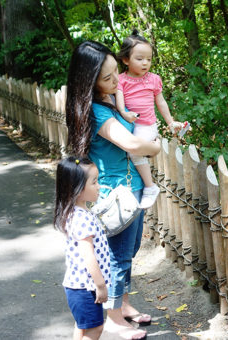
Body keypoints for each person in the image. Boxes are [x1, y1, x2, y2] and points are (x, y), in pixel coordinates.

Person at [66, 41, 161, 340]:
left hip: (131, 189)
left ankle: (125, 306)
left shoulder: (109, 99)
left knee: (128, 253)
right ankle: (113, 319)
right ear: (88, 81)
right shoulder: (95, 110)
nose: (115, 81)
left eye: (115, 74)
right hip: (114, 195)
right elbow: (133, 144)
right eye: (106, 78)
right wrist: (155, 146)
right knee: (118, 257)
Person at [116, 29, 184, 209]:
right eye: (140, 59)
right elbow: (120, 102)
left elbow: (160, 102)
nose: (145, 63)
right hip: (128, 123)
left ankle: (150, 186)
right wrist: (124, 113)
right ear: (125, 60)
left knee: (133, 150)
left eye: (149, 59)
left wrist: (170, 122)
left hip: (146, 126)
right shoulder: (121, 80)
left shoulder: (154, 79)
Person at [54, 156, 110, 340]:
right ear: (76, 189)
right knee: (95, 330)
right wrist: (100, 285)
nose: (99, 186)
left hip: (78, 286)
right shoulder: (82, 218)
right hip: (85, 287)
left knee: (82, 326)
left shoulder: (77, 212)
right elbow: (89, 256)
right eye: (94, 182)